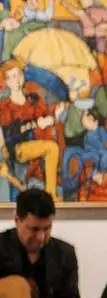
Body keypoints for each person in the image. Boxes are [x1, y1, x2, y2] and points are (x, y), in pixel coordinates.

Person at [0, 59, 60, 196]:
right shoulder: (5, 105)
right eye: (12, 77)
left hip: (35, 142)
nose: (17, 80)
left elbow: (45, 118)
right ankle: (51, 195)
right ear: (7, 82)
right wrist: (35, 124)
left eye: (19, 75)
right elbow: (9, 134)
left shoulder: (33, 99)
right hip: (17, 148)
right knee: (52, 147)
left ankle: (50, 193)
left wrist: (53, 118)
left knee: (52, 146)